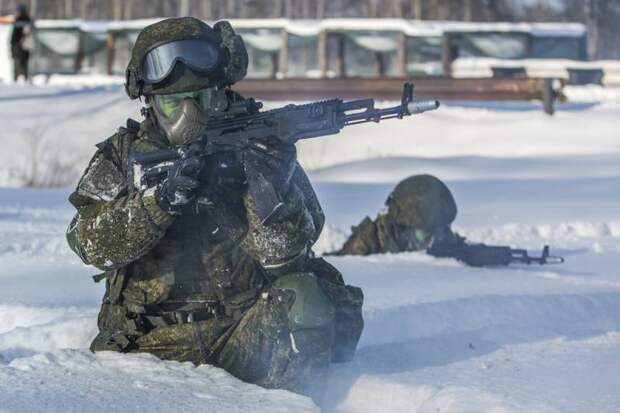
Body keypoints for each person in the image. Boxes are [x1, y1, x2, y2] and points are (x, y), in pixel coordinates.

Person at [66, 17, 363, 402]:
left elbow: (287, 258)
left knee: (305, 296)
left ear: (219, 94)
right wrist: (156, 205)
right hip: (148, 343)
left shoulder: (254, 143)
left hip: (239, 330)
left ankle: (297, 405)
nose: (187, 115)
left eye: (200, 99)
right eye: (173, 102)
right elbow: (86, 241)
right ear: (149, 102)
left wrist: (272, 183)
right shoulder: (123, 156)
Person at [331, 174, 458, 256]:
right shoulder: (369, 241)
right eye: (424, 235)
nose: (432, 241)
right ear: (402, 228)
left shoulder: (436, 228)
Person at [10, 4, 33, 82]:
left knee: (19, 62)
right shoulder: (26, 20)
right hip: (22, 45)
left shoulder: (21, 20)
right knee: (23, 62)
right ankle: (23, 78)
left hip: (19, 45)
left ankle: (17, 79)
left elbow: (18, 34)